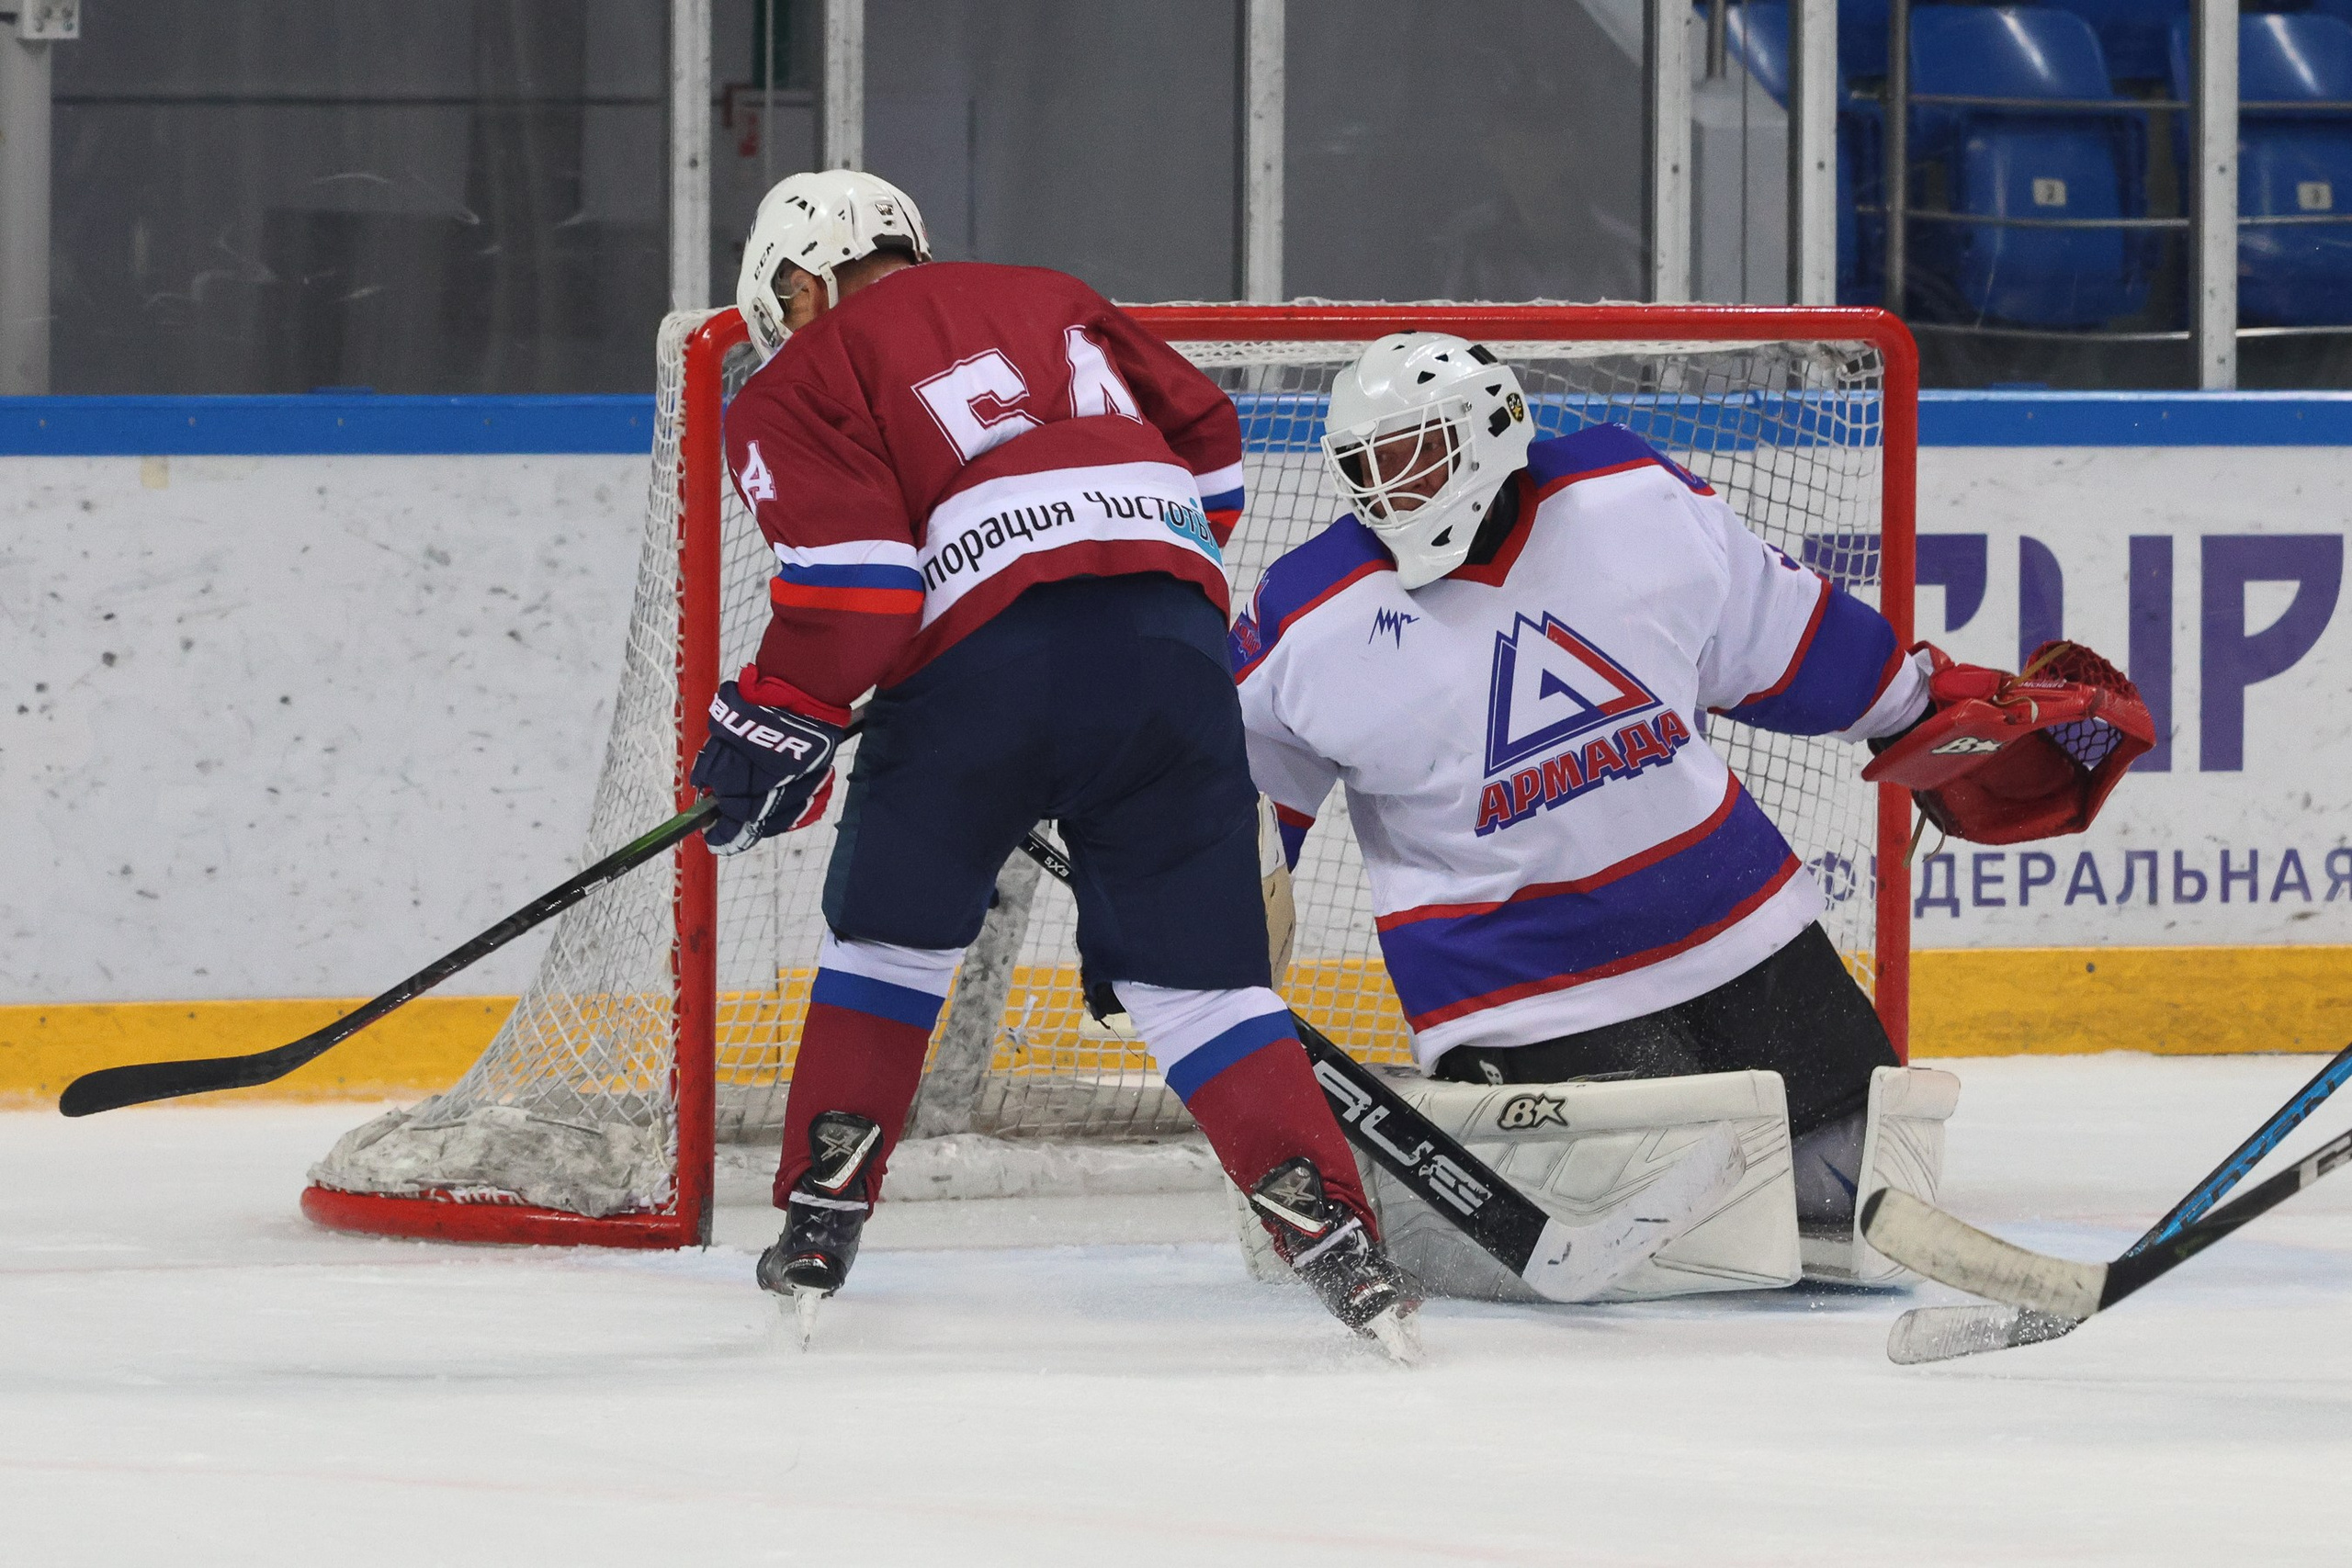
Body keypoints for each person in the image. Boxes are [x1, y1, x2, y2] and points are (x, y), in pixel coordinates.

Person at [1229, 333, 2143, 1281]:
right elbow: (1236, 804)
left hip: (1738, 924)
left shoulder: (1630, 496)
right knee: (1684, 1234)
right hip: (1520, 990)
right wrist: (1166, 899)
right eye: (1366, 469)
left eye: (1413, 454)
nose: (1391, 491)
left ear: (1493, 428)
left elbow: (1784, 635)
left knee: (1855, 1183)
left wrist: (1913, 705)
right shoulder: (1309, 615)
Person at [690, 170, 1415, 1354]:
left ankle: (821, 1221)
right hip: (1175, 650)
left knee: (888, 946)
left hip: (979, 684)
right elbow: (1212, 462)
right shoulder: (1056, 294)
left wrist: (777, 717)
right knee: (1204, 989)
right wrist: (1102, 601)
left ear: (806, 278)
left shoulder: (796, 379)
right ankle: (1338, 1242)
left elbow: (858, 590)